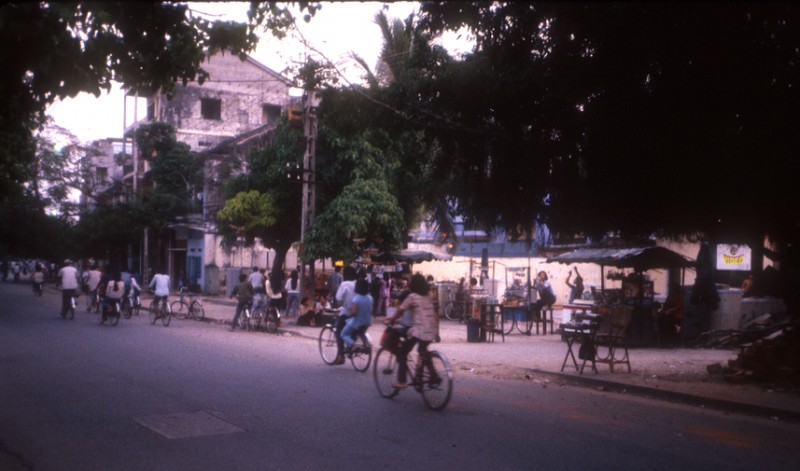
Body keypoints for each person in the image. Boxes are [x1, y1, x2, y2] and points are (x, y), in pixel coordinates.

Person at [385, 273, 440, 389]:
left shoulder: (412, 296)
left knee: (402, 352)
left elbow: (400, 310)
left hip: (419, 331)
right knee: (423, 351)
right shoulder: (428, 296)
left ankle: (402, 381)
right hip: (432, 330)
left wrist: (391, 319)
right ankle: (433, 375)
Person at [333, 265, 358, 365]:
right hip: (358, 313)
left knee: (339, 330)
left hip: (347, 312)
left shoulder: (344, 284)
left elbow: (339, 298)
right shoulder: (357, 283)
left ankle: (341, 355)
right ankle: (351, 344)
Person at [340, 279, 373, 355]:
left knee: (343, 334)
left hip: (357, 322)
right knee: (361, 333)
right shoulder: (370, 298)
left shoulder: (356, 298)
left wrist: (350, 314)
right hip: (367, 321)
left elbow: (354, 312)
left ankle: (353, 345)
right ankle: (367, 345)